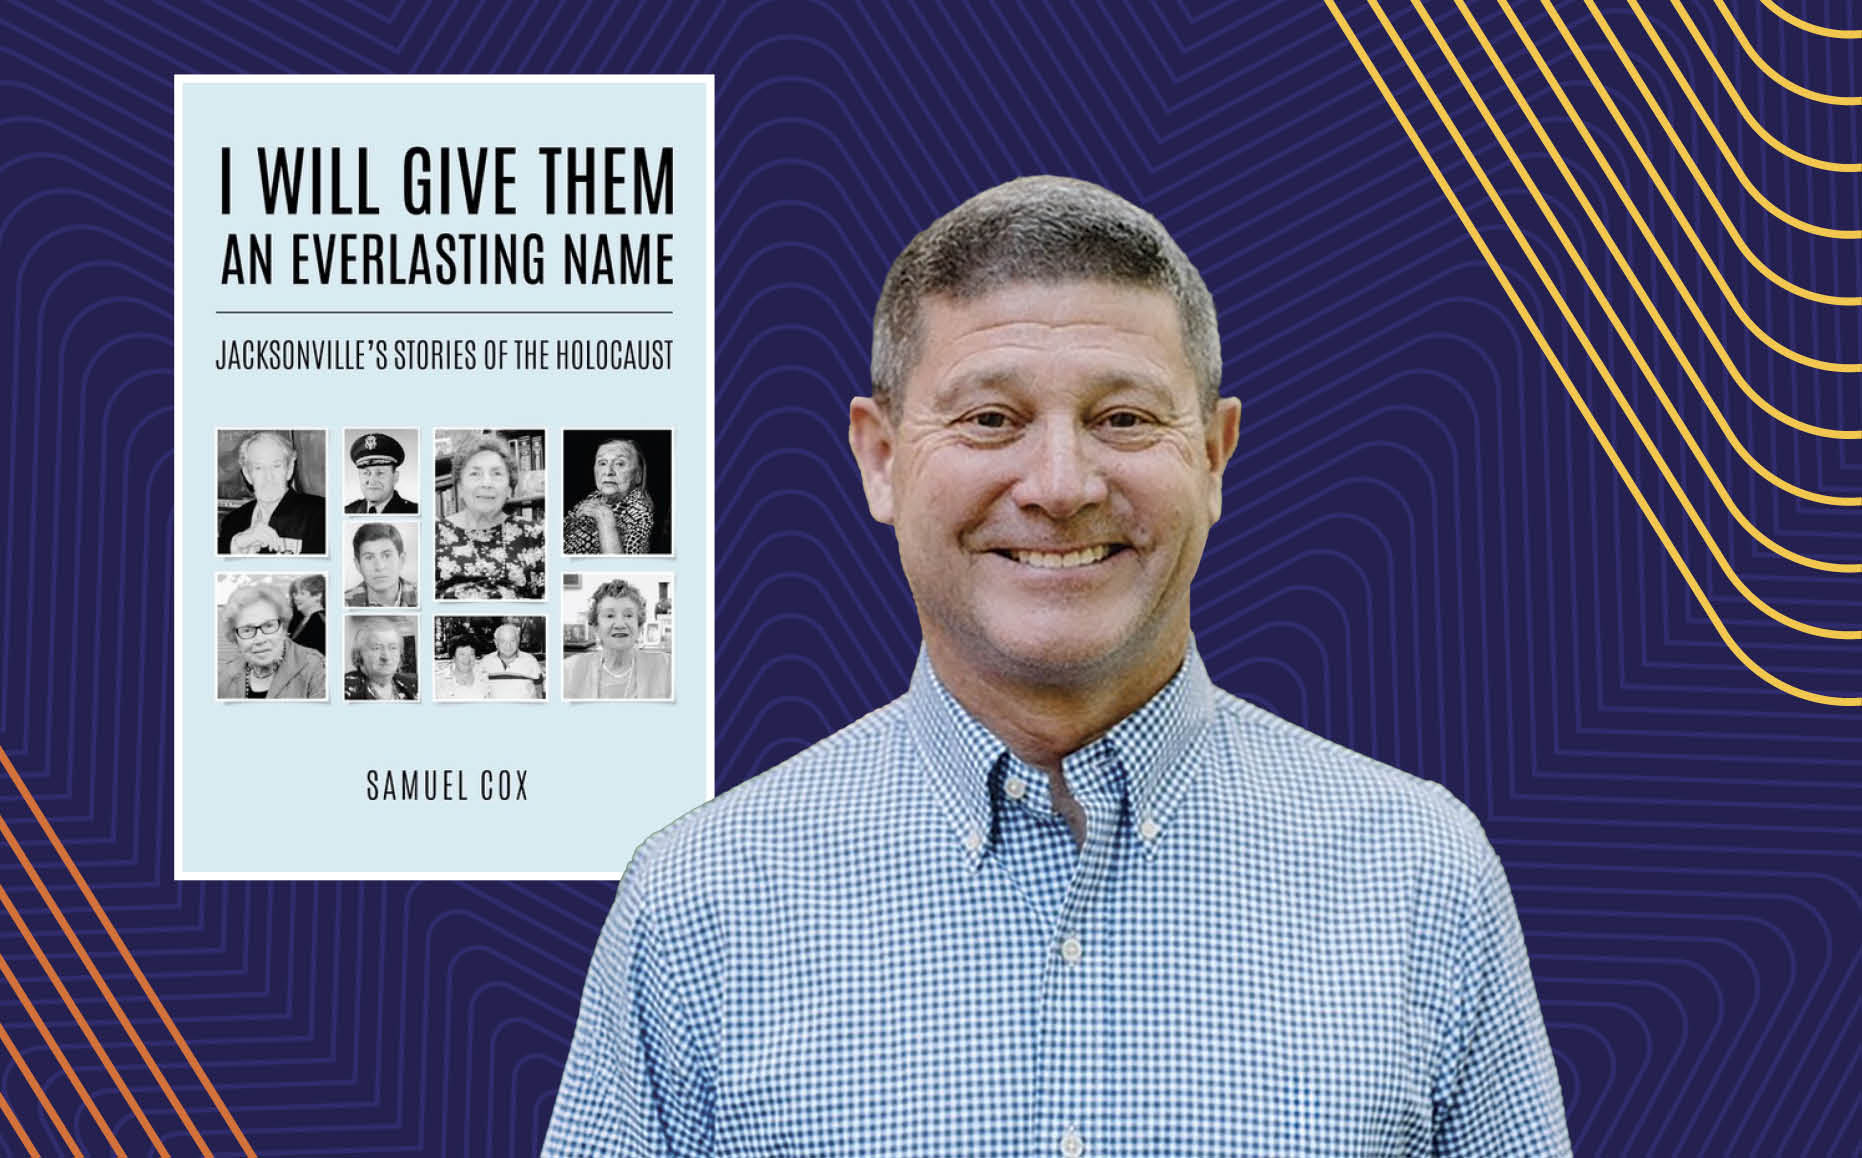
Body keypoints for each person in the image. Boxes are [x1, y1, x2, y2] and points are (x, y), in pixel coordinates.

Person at [547, 177, 1569, 1155]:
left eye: (1123, 418)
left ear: (1215, 456)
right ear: (880, 457)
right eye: (991, 419)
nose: (1060, 484)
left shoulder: (1422, 878)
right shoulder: (700, 903)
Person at [434, 434, 545, 600]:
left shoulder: (535, 534)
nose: (486, 483)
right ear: (460, 488)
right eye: (475, 474)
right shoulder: (433, 535)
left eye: (497, 474)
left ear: (509, 489)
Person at [218, 430, 324, 555]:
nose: (268, 477)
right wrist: (235, 546)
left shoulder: (321, 514)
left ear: (289, 469)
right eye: (258, 468)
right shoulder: (233, 521)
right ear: (247, 475)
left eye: (276, 466)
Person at [563, 579, 671, 700]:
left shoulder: (667, 668)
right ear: (596, 627)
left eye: (628, 615)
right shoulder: (569, 671)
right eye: (610, 615)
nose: (620, 624)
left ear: (639, 626)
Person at [215, 582, 324, 700]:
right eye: (247, 630)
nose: (260, 639)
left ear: (283, 628)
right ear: (235, 638)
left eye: (268, 626)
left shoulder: (314, 666)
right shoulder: (223, 676)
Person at [564, 438, 656, 555]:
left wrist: (605, 522)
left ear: (638, 475)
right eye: (602, 463)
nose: (608, 471)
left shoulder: (640, 512)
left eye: (619, 463)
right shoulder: (595, 495)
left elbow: (621, 568)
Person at [344, 522, 417, 607]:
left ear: (401, 560)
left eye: (387, 555)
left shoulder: (426, 597)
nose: (379, 567)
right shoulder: (342, 603)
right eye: (369, 557)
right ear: (358, 565)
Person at [344, 431, 418, 514]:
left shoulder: (414, 511)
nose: (372, 481)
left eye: (380, 473)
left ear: (395, 477)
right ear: (359, 476)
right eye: (366, 473)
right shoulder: (348, 511)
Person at [343, 617, 416, 701]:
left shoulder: (413, 685)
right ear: (359, 654)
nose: (386, 657)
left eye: (393, 648)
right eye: (376, 648)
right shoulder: (343, 690)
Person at [481, 622, 543, 699]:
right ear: (496, 643)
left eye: (512, 641)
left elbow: (539, 691)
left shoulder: (531, 661)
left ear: (518, 641)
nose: (508, 646)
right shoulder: (486, 661)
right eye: (503, 641)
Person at [286, 574, 326, 654]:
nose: (296, 598)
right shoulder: (303, 619)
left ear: (317, 596)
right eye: (296, 594)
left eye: (302, 593)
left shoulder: (321, 621)